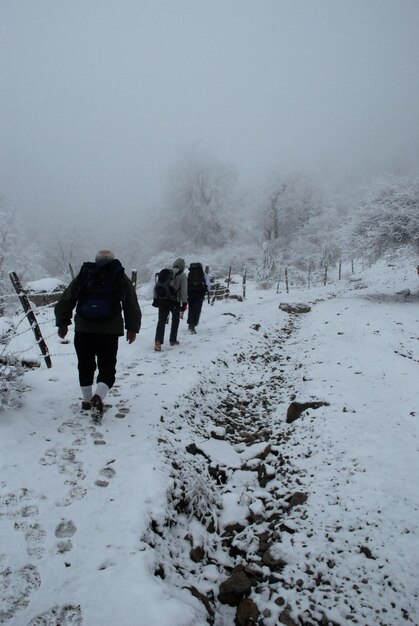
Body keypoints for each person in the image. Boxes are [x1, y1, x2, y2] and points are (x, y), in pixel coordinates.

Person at [54, 250, 141, 417]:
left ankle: (87, 400)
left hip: (83, 329)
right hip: (109, 331)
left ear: (96, 260)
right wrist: (132, 328)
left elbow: (67, 298)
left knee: (85, 364)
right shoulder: (119, 276)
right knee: (107, 366)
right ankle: (99, 396)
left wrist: (62, 323)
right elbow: (131, 303)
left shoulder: (86, 274)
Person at [154, 257, 187, 351]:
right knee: (175, 320)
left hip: (163, 300)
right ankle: (173, 340)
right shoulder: (183, 275)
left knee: (161, 321)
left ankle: (157, 342)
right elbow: (184, 291)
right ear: (182, 266)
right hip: (174, 302)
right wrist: (184, 303)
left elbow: (156, 286)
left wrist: (155, 298)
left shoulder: (165, 272)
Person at [186, 263, 211, 334]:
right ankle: (193, 325)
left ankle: (190, 324)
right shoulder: (204, 275)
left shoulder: (189, 274)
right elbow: (208, 286)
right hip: (199, 295)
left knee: (191, 309)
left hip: (190, 294)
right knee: (197, 310)